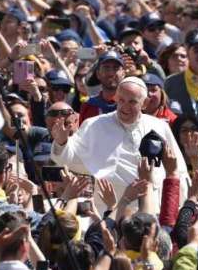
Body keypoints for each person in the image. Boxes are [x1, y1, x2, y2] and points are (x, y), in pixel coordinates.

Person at [50, 76, 188, 213]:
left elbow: (177, 169)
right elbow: (73, 159)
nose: (125, 107)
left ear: (145, 103)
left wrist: (179, 205)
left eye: (132, 102)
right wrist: (62, 142)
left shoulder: (159, 126)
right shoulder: (94, 125)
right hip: (112, 209)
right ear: (115, 98)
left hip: (153, 207)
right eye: (121, 100)